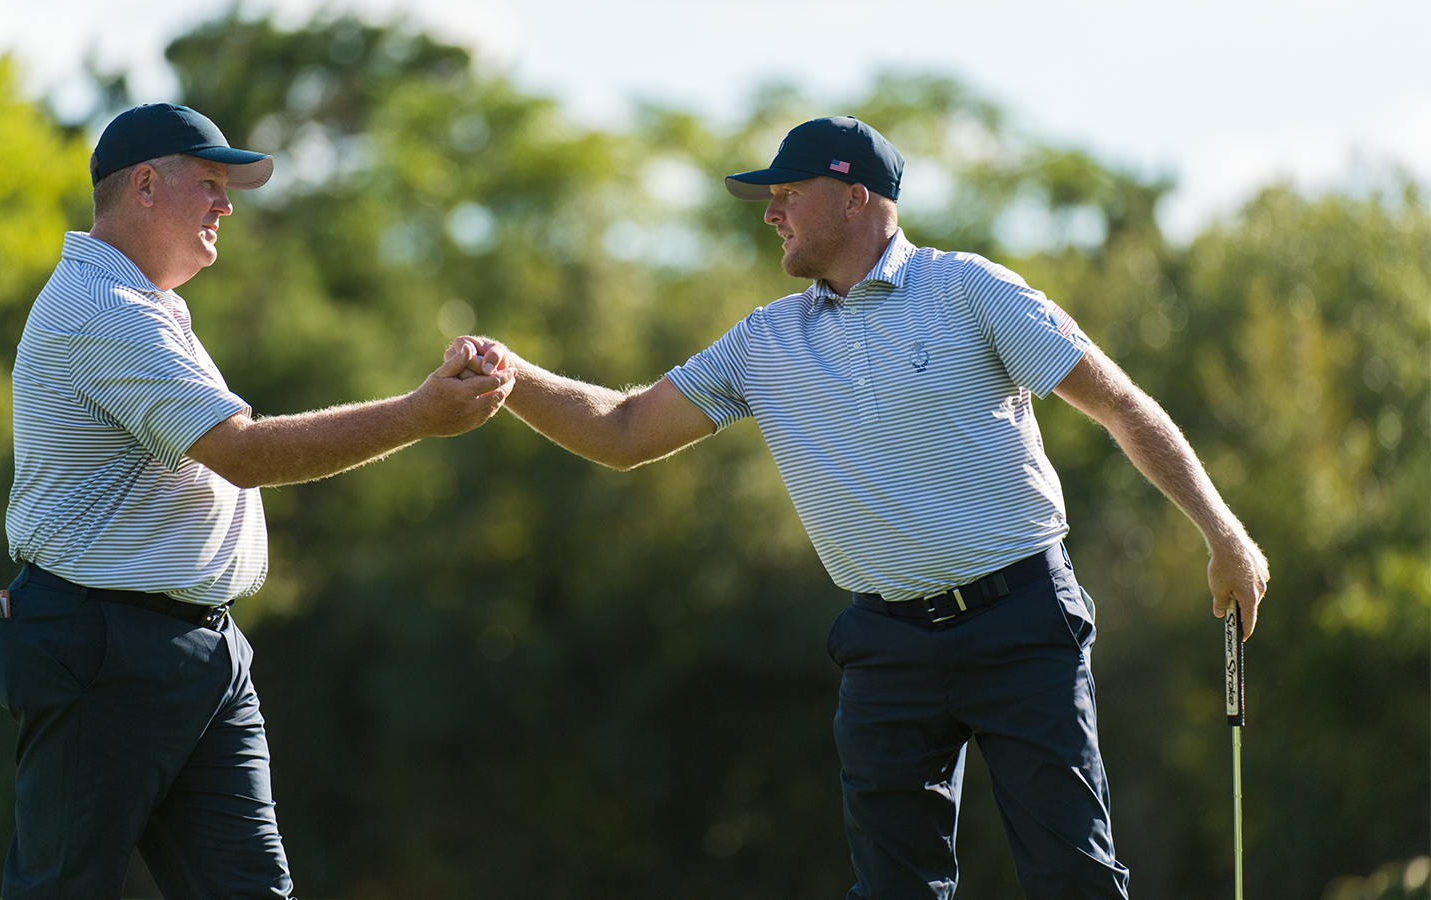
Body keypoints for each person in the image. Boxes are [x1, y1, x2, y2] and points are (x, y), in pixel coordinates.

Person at [448, 116, 1269, 899]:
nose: (770, 212)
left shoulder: (971, 291)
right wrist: (514, 375)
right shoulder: (762, 342)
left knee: (1072, 880)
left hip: (1021, 621)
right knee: (891, 891)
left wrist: (1223, 532)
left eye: (788, 192)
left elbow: (1122, 405)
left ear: (855, 197)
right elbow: (624, 430)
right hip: (886, 646)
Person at [0, 103, 514, 900]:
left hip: (193, 645)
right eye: (209, 183)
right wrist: (417, 416)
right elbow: (241, 452)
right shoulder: (100, 309)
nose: (226, 205)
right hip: (101, 640)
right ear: (143, 186)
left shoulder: (146, 307)